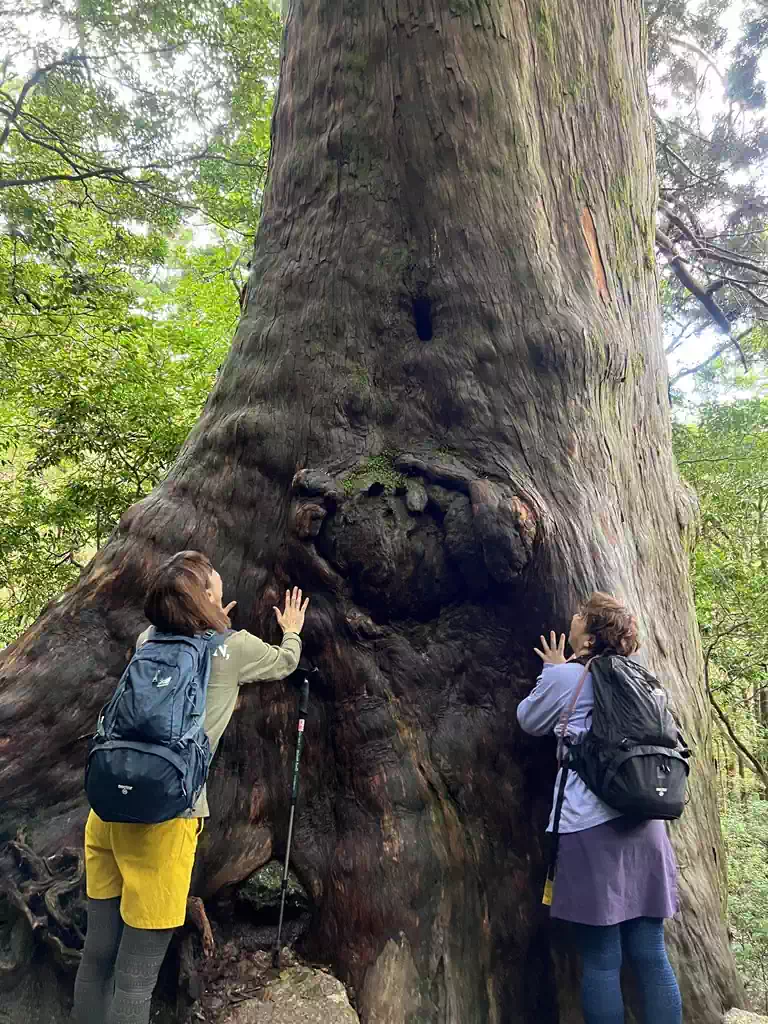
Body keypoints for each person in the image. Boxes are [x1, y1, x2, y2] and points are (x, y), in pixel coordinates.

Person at [73, 550, 309, 1024]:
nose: (221, 581)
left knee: (97, 953)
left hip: (106, 812)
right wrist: (292, 631)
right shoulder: (234, 647)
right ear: (204, 597)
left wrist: (212, 620)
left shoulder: (147, 638)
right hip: (166, 822)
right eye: (213, 582)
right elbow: (284, 664)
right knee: (136, 979)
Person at [517, 592, 682, 1024]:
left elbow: (527, 719)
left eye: (579, 615)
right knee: (651, 953)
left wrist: (552, 670)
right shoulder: (644, 679)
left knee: (602, 960)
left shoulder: (566, 678)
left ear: (588, 633)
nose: (571, 618)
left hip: (589, 829)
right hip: (647, 825)